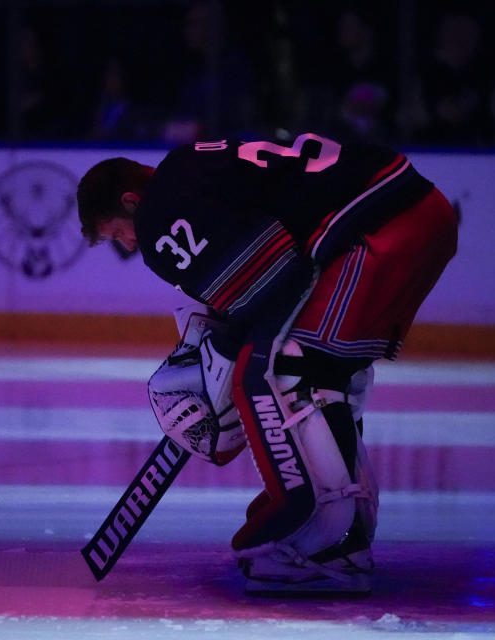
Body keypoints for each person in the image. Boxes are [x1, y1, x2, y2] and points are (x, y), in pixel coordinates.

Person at [76, 132, 458, 594]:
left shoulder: (161, 215)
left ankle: (329, 539)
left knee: (286, 369)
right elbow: (271, 273)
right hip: (411, 210)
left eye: (119, 232)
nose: (131, 244)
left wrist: (216, 362)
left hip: (387, 223)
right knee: (321, 369)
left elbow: (274, 281)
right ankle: (344, 523)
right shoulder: (189, 166)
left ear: (131, 201)